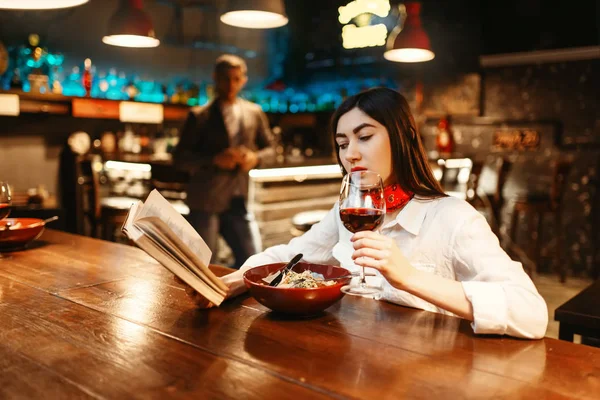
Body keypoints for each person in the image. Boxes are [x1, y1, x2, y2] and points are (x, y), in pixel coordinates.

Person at [181, 87, 548, 339]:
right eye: (342, 144)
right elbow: (288, 256)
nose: (350, 154)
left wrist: (408, 277)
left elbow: (531, 313)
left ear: (401, 136)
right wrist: (229, 284)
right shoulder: (348, 211)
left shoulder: (453, 218)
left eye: (364, 136)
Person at [173, 54, 275, 269]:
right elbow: (179, 159)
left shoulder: (254, 113)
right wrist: (214, 160)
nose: (231, 84)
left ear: (243, 80)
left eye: (236, 78)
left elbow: (272, 150)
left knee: (253, 263)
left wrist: (255, 158)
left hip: (239, 199)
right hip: (206, 200)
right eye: (226, 78)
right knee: (203, 266)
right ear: (215, 78)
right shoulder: (199, 116)